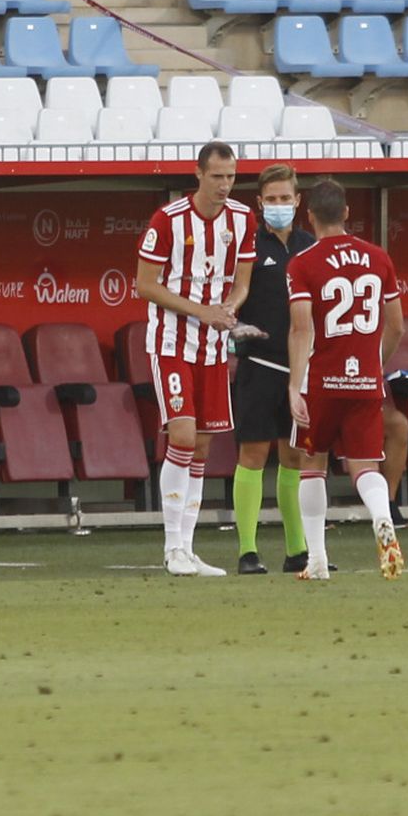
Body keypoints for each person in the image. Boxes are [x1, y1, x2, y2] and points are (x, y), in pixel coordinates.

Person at [135, 140, 256, 578]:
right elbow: (144, 285)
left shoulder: (243, 219)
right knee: (182, 435)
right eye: (218, 176)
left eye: (231, 177)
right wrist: (200, 310)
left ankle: (188, 547)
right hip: (170, 342)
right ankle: (170, 548)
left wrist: (230, 307)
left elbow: (243, 281)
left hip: (211, 347)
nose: (225, 185)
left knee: (203, 444)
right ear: (199, 174)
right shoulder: (167, 220)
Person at [286, 179, 407, 582]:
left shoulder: (302, 263)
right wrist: (375, 364)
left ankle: (317, 560)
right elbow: (397, 327)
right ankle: (382, 519)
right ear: (346, 213)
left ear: (309, 215)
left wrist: (293, 385)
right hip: (366, 381)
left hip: (321, 381)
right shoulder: (379, 258)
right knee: (365, 465)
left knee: (311, 461)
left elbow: (302, 330)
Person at [229, 163, 315, 576]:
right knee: (253, 454)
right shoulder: (247, 246)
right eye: (272, 199)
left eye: (286, 198)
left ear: (298, 202)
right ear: (258, 203)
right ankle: (248, 550)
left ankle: (298, 550)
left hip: (299, 369)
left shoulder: (310, 246)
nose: (279, 205)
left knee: (294, 456)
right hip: (258, 364)